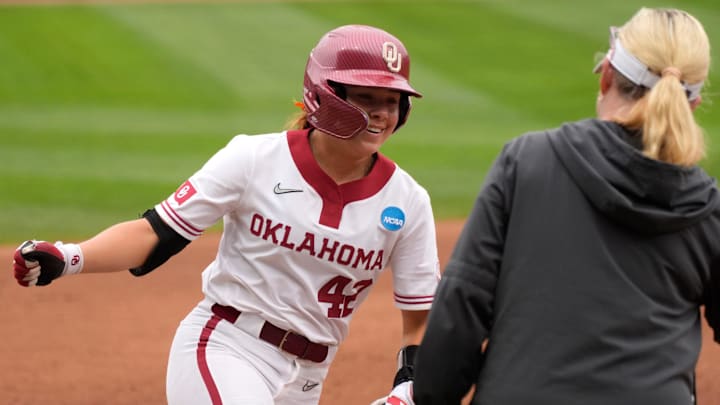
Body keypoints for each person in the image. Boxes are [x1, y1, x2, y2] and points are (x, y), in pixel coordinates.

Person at [12, 24, 439, 405]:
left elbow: (420, 316)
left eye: (392, 100)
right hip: (228, 347)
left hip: (309, 377)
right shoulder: (254, 159)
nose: (382, 113)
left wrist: (410, 382)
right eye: (366, 98)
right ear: (324, 95)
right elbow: (155, 233)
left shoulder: (407, 201)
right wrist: (70, 258)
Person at [413, 7, 717, 405]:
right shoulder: (708, 208)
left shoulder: (527, 161)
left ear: (607, 74)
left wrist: (432, 394)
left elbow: (464, 300)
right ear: (690, 106)